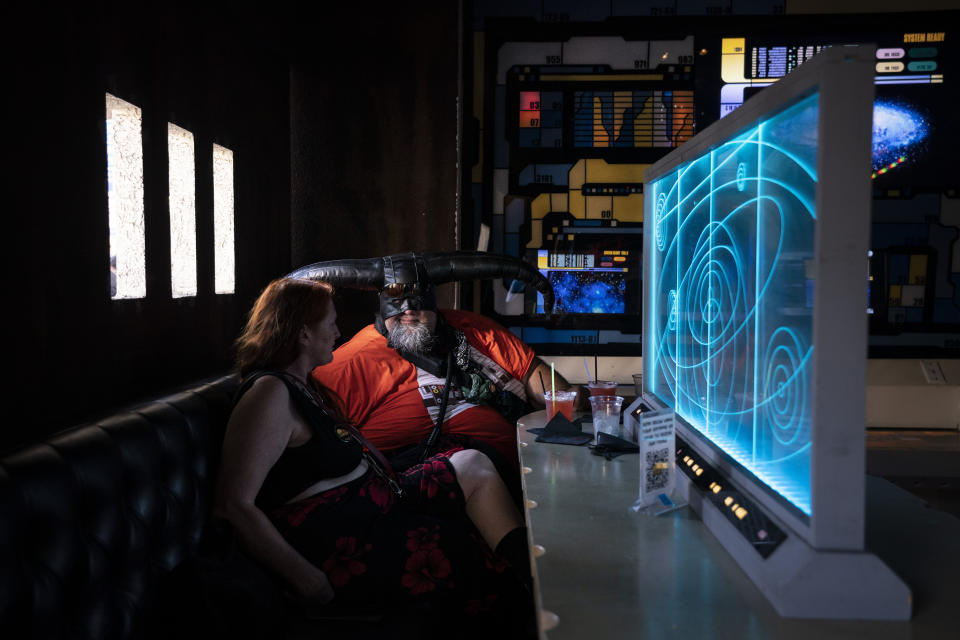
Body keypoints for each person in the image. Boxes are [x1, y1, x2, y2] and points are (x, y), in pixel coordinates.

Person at [213, 277, 533, 634]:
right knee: (474, 560)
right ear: (303, 333)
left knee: (471, 459)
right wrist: (304, 578)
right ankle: (524, 601)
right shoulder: (269, 392)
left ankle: (530, 574)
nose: (337, 331)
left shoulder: (305, 385)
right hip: (346, 543)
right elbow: (233, 505)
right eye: (330, 322)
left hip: (379, 500)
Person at [295, 252, 581, 472]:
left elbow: (557, 395)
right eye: (396, 298)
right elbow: (317, 448)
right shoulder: (353, 363)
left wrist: (577, 404)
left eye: (418, 298)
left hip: (537, 470)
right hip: (436, 488)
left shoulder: (473, 330)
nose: (408, 311)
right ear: (381, 303)